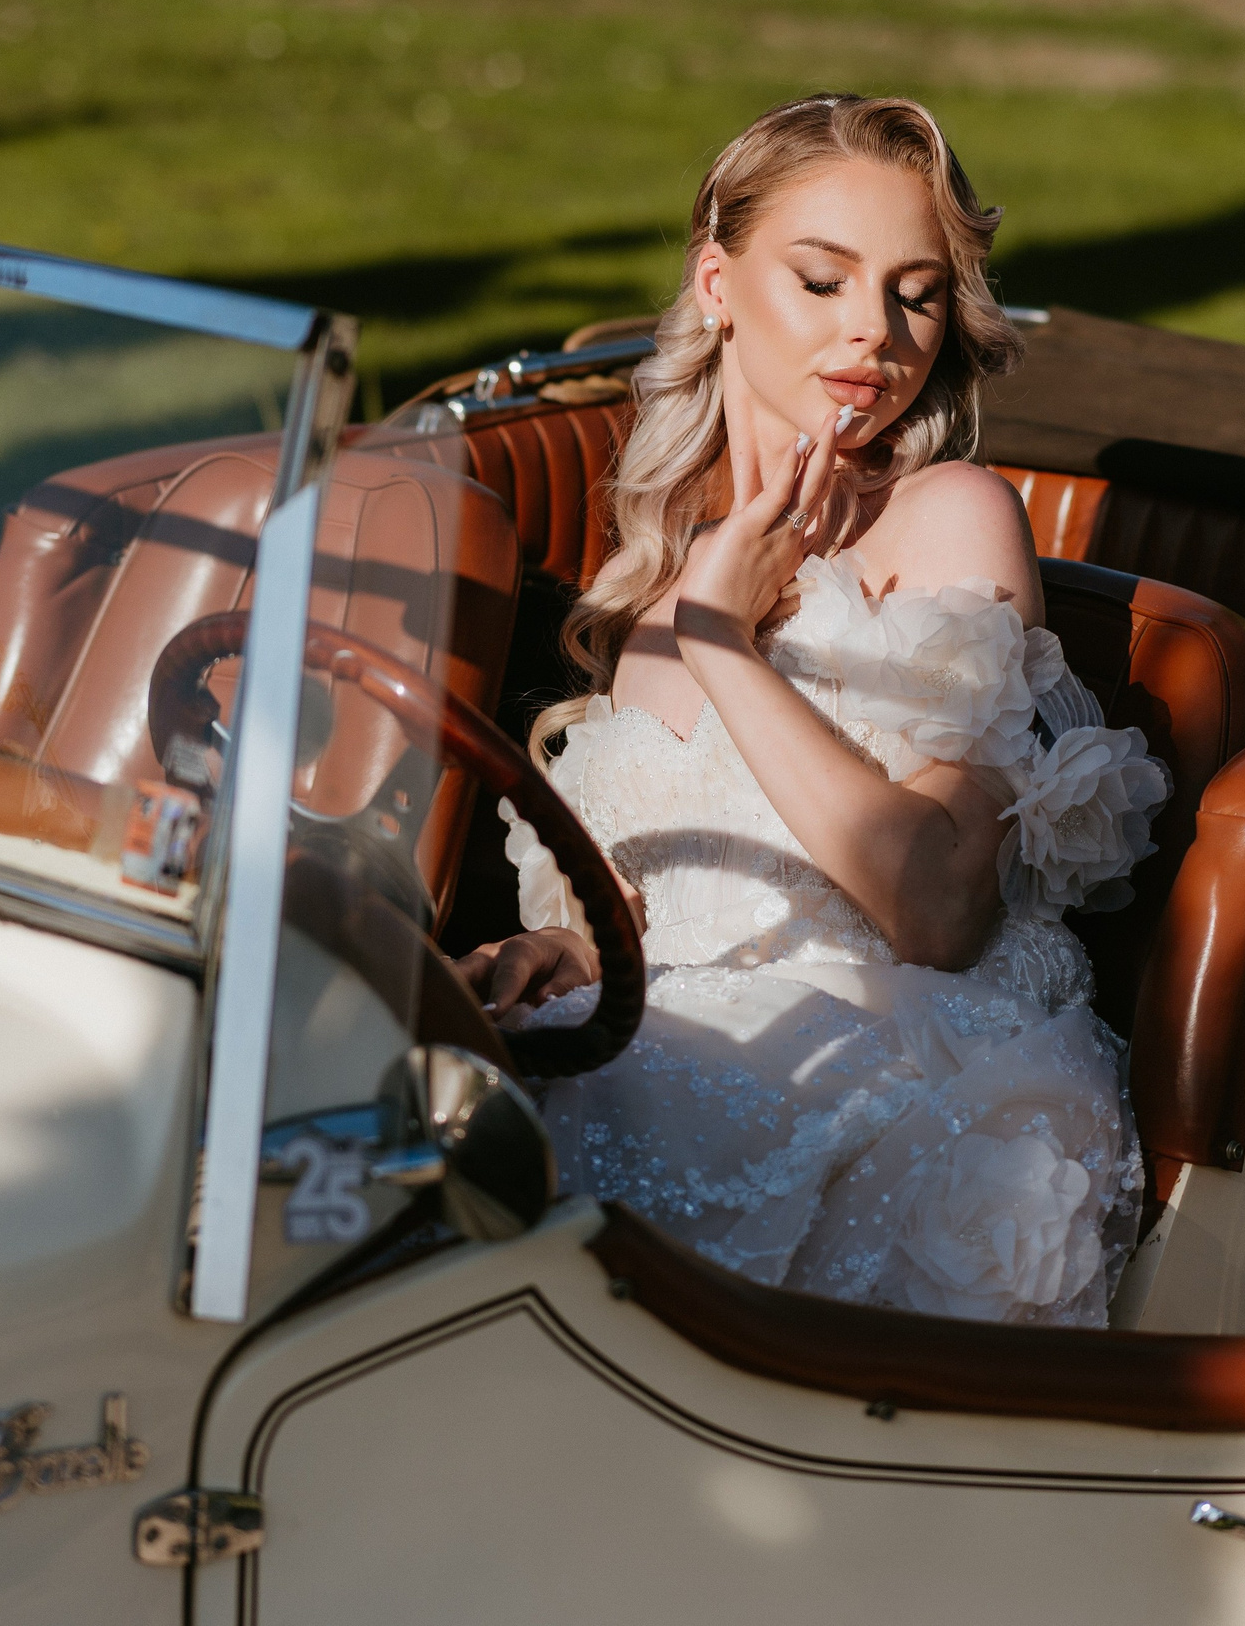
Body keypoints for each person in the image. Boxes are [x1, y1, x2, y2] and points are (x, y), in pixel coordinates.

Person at [455, 94, 1169, 1327]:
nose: (874, 334)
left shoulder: (948, 515)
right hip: (669, 1031)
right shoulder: (664, 555)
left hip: (908, 1061)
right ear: (717, 283)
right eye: (823, 280)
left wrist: (723, 641)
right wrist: (559, 954)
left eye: (916, 293)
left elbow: (938, 910)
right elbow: (661, 912)